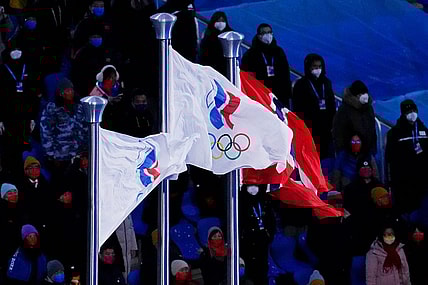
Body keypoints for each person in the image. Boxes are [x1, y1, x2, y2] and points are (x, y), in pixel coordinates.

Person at [0, 46, 41, 179]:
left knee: (24, 146)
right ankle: (9, 174)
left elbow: (34, 94)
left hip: (26, 116)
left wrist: (33, 116)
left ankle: (24, 175)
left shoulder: (28, 68)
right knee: (9, 148)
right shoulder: (2, 69)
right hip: (8, 117)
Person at [385, 99, 428, 214]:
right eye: (408, 111)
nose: (412, 113)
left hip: (423, 182)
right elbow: (390, 158)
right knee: (406, 215)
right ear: (403, 113)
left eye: (414, 110)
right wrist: (391, 182)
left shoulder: (424, 131)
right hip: (403, 183)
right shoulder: (394, 133)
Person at [292, 53, 336, 159]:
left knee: (326, 157)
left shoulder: (326, 83)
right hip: (310, 128)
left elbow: (331, 103)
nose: (317, 70)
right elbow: (298, 108)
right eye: (314, 67)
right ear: (308, 67)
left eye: (320, 67)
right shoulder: (301, 84)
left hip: (326, 128)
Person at [40, 78, 88, 168]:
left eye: (71, 89)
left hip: (79, 156)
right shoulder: (52, 108)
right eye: (67, 90)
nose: (70, 92)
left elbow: (86, 130)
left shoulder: (80, 107)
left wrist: (85, 153)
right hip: (60, 157)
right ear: (61, 93)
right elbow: (46, 133)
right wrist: (52, 155)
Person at [241, 23, 292, 107]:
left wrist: (288, 93)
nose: (267, 35)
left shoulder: (279, 52)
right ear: (258, 35)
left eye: (269, 32)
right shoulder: (251, 54)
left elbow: (286, 73)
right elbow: (246, 75)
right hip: (260, 93)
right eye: (264, 33)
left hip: (279, 93)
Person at [239, 184, 275, 285]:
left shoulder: (264, 200)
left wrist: (269, 234)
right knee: (248, 269)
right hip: (246, 241)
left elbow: (271, 220)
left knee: (262, 268)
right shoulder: (242, 201)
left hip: (262, 240)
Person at [199, 11, 233, 76]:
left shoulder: (230, 34)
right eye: (218, 21)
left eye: (223, 21)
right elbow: (203, 53)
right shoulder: (208, 34)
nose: (220, 23)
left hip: (226, 68)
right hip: (210, 68)